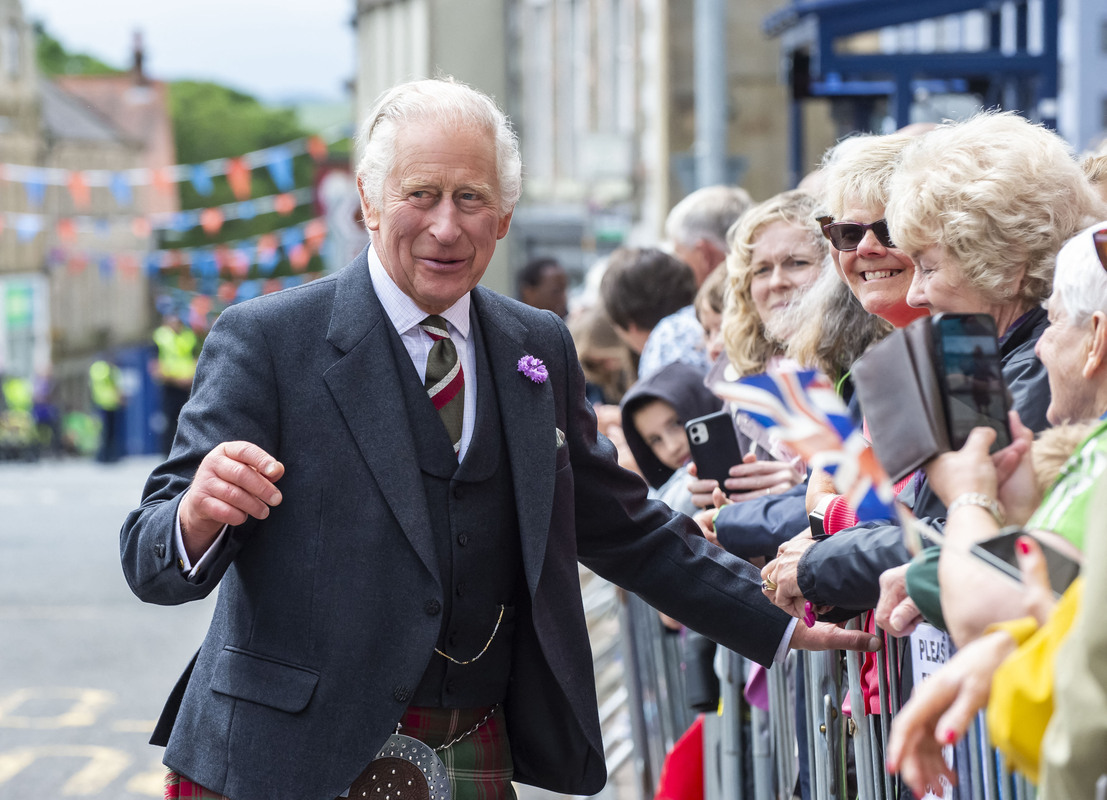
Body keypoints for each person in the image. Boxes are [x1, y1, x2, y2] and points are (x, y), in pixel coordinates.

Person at [119, 77, 876, 800]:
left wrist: (778, 621)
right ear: (369, 204)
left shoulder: (535, 344)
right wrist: (196, 514)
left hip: (465, 742)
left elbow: (623, 527)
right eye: (421, 194)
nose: (447, 227)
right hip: (281, 759)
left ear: (505, 214)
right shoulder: (268, 339)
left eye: (471, 198)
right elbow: (148, 554)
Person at [636, 186, 754, 380]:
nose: (674, 265)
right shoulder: (776, 311)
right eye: (709, 332)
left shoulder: (675, 334)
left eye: (678, 253)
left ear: (704, 255)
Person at [151, 313, 198, 454]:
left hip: (187, 386)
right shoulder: (161, 338)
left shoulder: (188, 337)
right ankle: (168, 454)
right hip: (170, 386)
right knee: (169, 422)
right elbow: (156, 368)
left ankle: (184, 452)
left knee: (186, 421)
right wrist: (175, 379)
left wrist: (190, 378)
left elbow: (195, 359)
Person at [89, 356, 125, 464]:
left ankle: (104, 456)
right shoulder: (108, 371)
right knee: (108, 432)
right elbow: (115, 386)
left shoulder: (97, 369)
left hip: (103, 404)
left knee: (105, 432)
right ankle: (106, 456)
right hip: (107, 404)